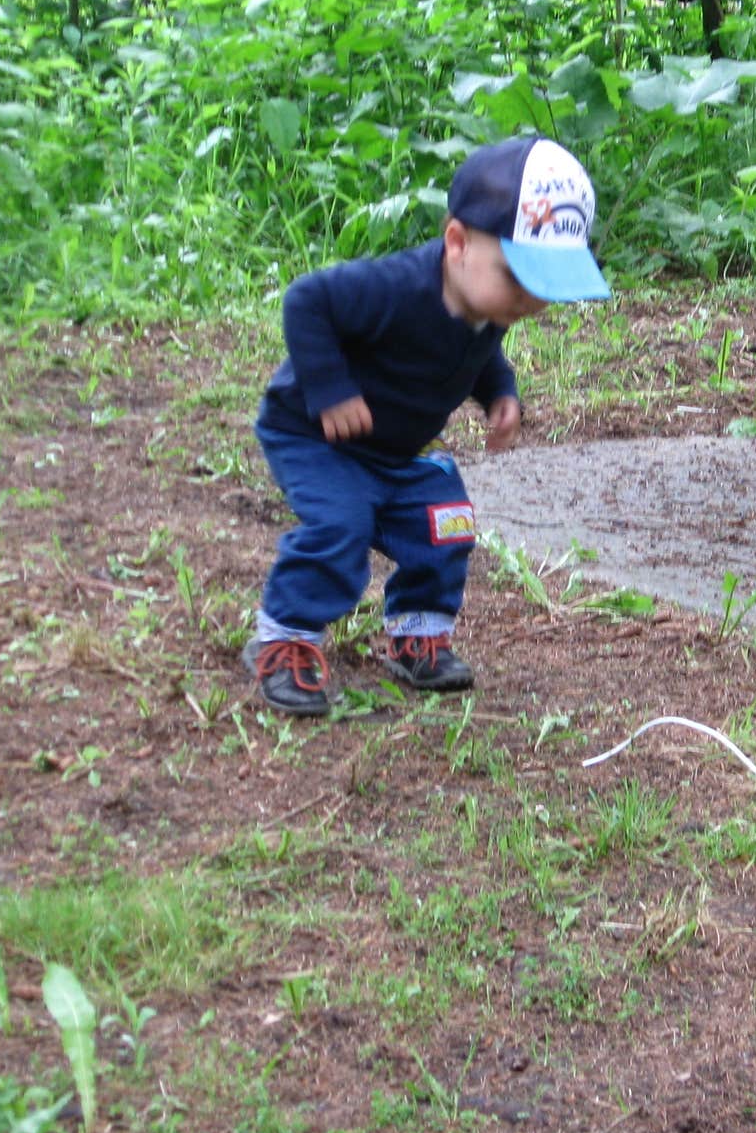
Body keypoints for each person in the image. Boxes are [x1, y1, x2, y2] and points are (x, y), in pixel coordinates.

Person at [243, 135, 610, 715]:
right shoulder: (395, 288)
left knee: (447, 523)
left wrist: (499, 392)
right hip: (319, 437)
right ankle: (285, 639)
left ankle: (417, 633)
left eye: (545, 282)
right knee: (340, 524)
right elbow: (307, 300)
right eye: (518, 275)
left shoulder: (488, 302)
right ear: (457, 241)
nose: (529, 297)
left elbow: (478, 351)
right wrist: (331, 388)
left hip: (399, 449)